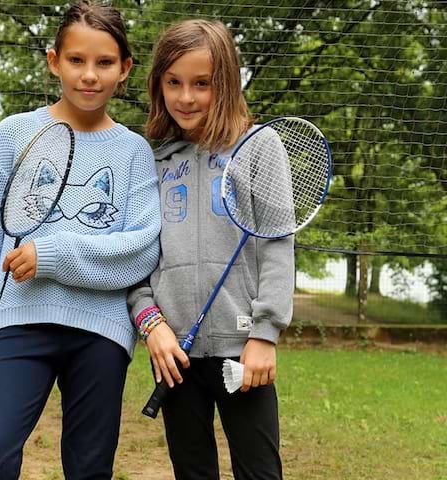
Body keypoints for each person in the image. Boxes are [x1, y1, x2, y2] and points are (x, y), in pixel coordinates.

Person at [0, 2, 161, 478]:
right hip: (19, 323)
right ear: (53, 60)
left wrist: (52, 253)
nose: (90, 75)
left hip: (102, 332)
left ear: (125, 69)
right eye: (76, 60)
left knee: (89, 469)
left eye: (105, 63)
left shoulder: (133, 152)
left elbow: (143, 247)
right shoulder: (14, 135)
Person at [128, 19, 293, 480]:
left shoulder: (260, 147)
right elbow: (137, 258)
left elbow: (278, 243)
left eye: (202, 84)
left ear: (226, 82)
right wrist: (152, 324)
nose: (186, 97)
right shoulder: (155, 160)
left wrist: (264, 333)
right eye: (174, 83)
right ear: (158, 83)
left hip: (244, 352)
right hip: (173, 354)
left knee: (260, 472)